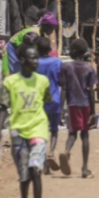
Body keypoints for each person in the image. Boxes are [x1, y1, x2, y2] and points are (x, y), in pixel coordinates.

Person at [0, 45, 52, 198]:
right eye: (32, 58)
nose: (36, 61)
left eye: (37, 58)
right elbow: (4, 107)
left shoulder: (43, 81)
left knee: (35, 170)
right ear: (22, 60)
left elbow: (46, 103)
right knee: (24, 175)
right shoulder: (10, 83)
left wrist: (52, 128)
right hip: (18, 132)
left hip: (38, 129)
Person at [59, 39, 98, 179]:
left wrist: (60, 109)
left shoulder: (66, 67)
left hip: (72, 105)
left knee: (72, 133)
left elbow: (63, 89)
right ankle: (85, 168)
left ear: (74, 51)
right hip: (86, 105)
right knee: (85, 135)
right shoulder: (89, 69)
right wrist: (93, 112)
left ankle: (67, 150)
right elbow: (92, 91)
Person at [34, 37, 63, 173]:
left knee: (42, 131)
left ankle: (44, 160)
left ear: (37, 50)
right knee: (54, 130)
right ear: (50, 50)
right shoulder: (57, 62)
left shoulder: (35, 63)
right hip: (55, 100)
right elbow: (62, 82)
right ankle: (52, 151)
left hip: (39, 102)